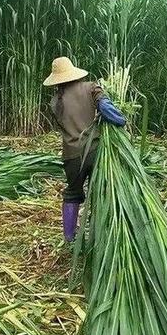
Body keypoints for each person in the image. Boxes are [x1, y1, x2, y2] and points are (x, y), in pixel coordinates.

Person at [43, 57, 126, 241]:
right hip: (94, 151)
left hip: (72, 156)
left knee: (72, 193)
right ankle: (99, 235)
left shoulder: (55, 102)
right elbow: (106, 108)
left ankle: (69, 238)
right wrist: (121, 121)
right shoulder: (90, 88)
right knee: (98, 191)